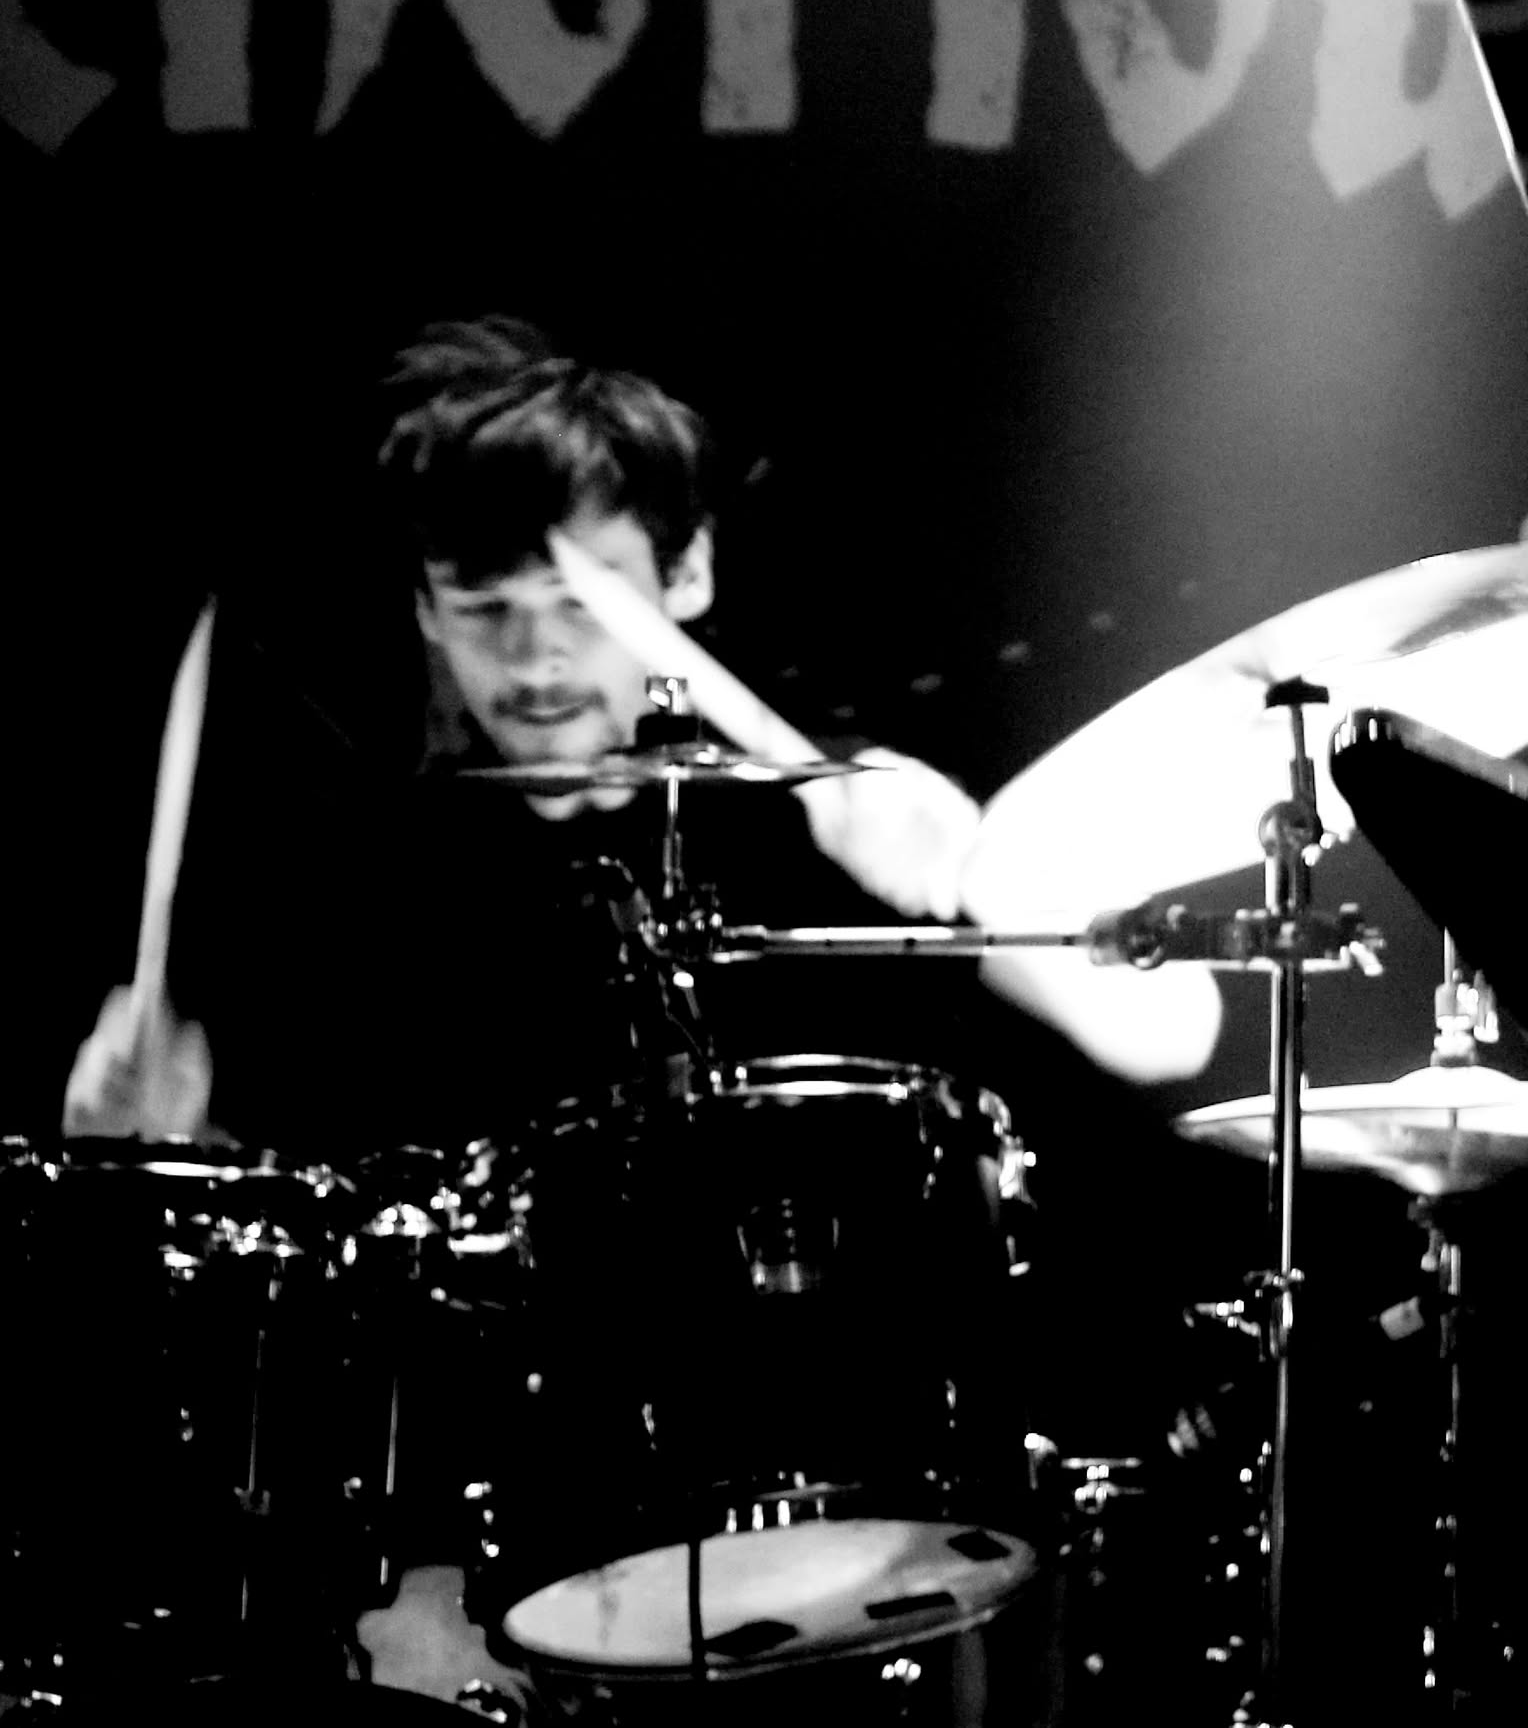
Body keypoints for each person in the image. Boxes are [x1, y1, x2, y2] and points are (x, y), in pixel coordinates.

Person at [48, 319, 1218, 1701]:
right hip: (490, 1589)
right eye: (483, 607)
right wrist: (161, 1159)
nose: (535, 659)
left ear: (688, 575)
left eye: (578, 602)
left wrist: (973, 878)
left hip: (852, 1562)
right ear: (422, 607)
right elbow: (313, 1289)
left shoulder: (820, 819)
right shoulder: (359, 891)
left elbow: (1174, 1034)